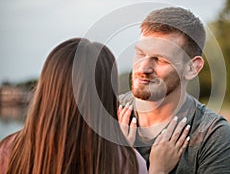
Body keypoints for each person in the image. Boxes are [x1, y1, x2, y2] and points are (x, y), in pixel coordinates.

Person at [0, 38, 189, 174]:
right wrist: (155, 169)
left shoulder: (8, 150)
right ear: (107, 95)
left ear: (45, 90)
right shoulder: (128, 163)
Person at [118, 7, 230, 173]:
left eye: (160, 59)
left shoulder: (213, 135)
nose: (143, 68)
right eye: (140, 53)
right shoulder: (108, 113)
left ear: (192, 68)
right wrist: (120, 156)